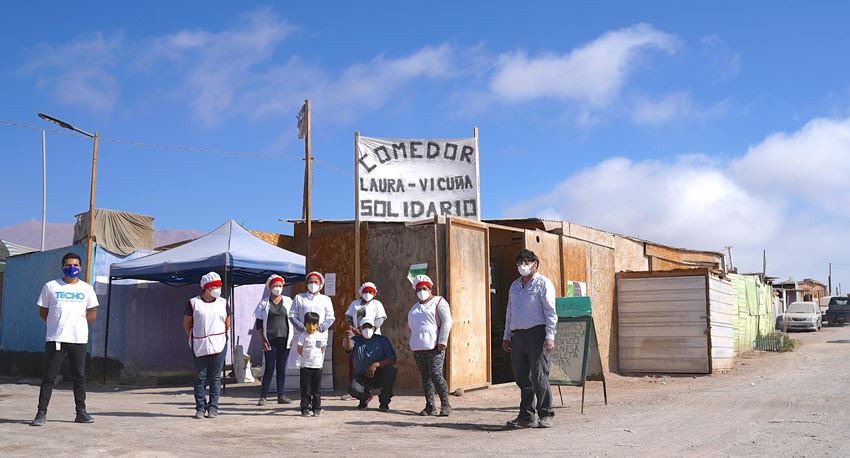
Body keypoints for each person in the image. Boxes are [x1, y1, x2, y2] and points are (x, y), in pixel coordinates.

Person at [30, 252, 99, 427]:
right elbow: (43, 312)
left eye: (76, 265)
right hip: (56, 338)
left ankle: (81, 412)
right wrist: (56, 325)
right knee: (49, 377)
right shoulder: (51, 286)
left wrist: (77, 325)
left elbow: (92, 313)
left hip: (78, 339)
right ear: (62, 267)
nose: (72, 268)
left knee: (79, 377)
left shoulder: (86, 288)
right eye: (69, 265)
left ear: (81, 268)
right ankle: (41, 413)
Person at [502, 249, 558, 429]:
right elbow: (510, 312)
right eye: (520, 262)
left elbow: (550, 312)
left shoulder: (543, 284)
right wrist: (506, 335)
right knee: (521, 377)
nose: (523, 265)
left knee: (539, 375)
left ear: (535, 264)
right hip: (518, 336)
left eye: (527, 261)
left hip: (537, 334)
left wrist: (550, 336)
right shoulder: (515, 286)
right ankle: (526, 416)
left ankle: (546, 413)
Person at [183, 272, 231, 419]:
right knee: (200, 377)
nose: (219, 288)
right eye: (216, 286)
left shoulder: (223, 303)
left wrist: (217, 335)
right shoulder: (194, 302)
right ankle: (200, 408)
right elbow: (186, 323)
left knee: (215, 377)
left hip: (218, 343)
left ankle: (213, 408)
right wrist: (195, 336)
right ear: (207, 288)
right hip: (200, 343)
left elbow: (227, 322)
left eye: (220, 286)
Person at [407, 274, 453, 416]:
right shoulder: (414, 307)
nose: (422, 291)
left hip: (435, 347)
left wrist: (442, 341)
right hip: (419, 347)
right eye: (419, 289)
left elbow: (447, 322)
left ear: (430, 288)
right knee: (425, 376)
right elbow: (411, 325)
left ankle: (445, 404)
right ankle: (430, 405)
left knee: (435, 374)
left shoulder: (439, 302)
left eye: (424, 288)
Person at [253, 274, 294, 406]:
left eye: (280, 286)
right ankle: (263, 396)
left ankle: (281, 395)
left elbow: (293, 319)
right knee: (269, 368)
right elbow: (259, 325)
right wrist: (262, 340)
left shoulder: (288, 301)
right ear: (270, 288)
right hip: (270, 340)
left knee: (281, 368)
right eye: (275, 286)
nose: (277, 288)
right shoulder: (264, 303)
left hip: (285, 339)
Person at [344, 316, 397, 412]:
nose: (367, 329)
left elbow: (392, 359)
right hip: (361, 377)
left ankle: (384, 402)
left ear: (374, 328)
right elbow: (347, 348)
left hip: (379, 374)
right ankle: (365, 398)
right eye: (364, 327)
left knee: (391, 370)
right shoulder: (356, 340)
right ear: (360, 329)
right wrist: (347, 337)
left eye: (370, 327)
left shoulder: (382, 340)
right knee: (353, 389)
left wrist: (376, 365)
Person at [289, 271, 335, 343]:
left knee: (317, 353)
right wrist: (303, 328)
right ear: (307, 284)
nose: (313, 284)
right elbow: (292, 316)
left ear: (320, 284)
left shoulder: (326, 299)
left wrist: (319, 329)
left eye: (315, 282)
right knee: (301, 353)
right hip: (302, 336)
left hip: (320, 337)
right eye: (310, 282)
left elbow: (330, 317)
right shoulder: (299, 297)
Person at [296, 312, 326, 417]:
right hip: (305, 367)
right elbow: (299, 349)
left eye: (314, 324)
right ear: (305, 324)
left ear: (317, 324)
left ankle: (316, 408)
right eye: (308, 323)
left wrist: (315, 357)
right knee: (306, 389)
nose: (311, 326)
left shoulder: (320, 336)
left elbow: (321, 349)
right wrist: (306, 357)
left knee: (316, 390)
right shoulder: (303, 336)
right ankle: (305, 408)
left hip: (317, 367)